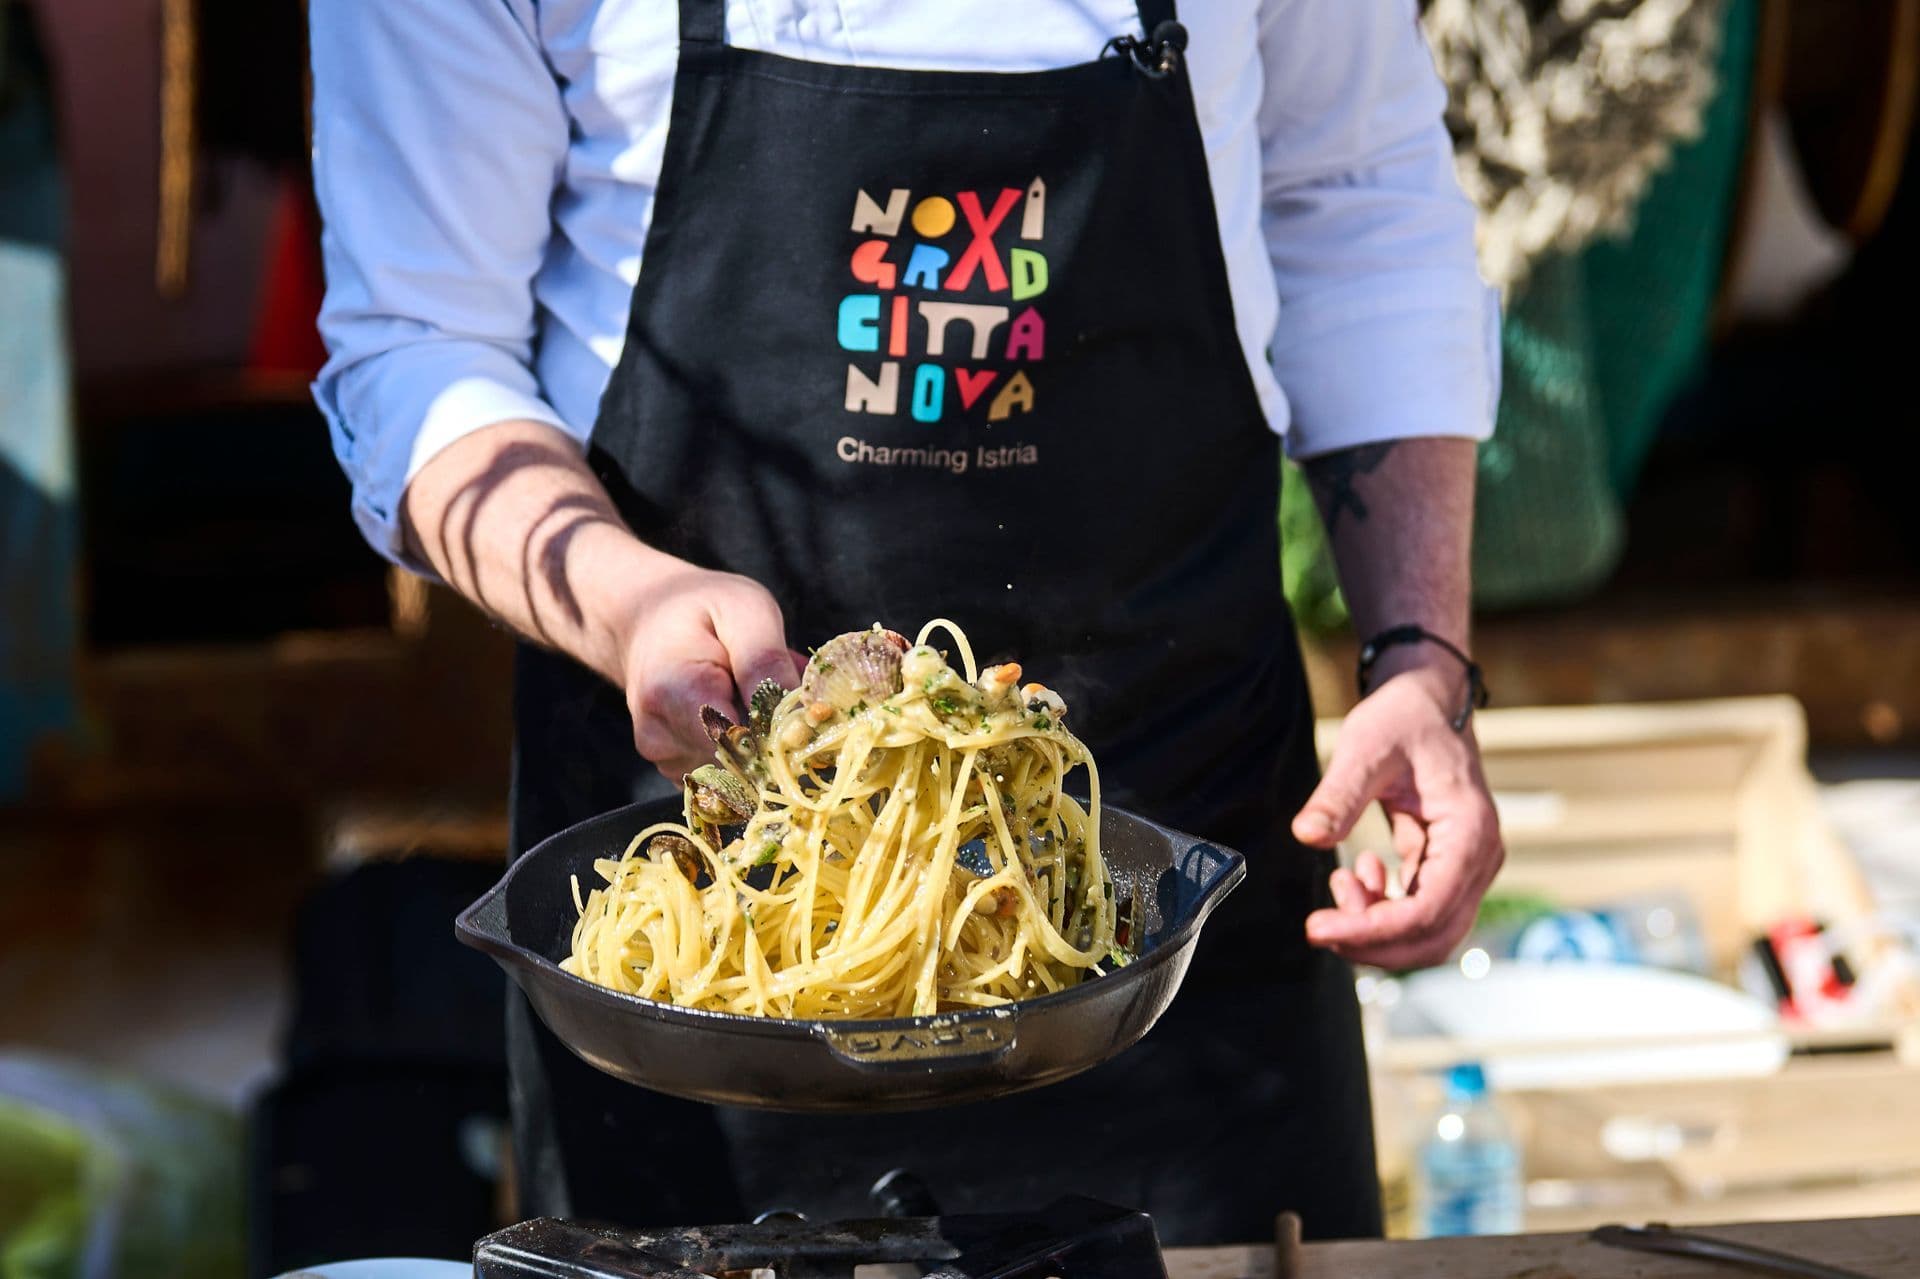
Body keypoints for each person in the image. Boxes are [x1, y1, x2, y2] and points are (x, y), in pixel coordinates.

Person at [309, 0, 1504, 1245]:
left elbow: (1361, 206)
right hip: (705, 951)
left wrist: (1421, 658)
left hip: (1163, 922)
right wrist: (629, 602)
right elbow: (420, 345)